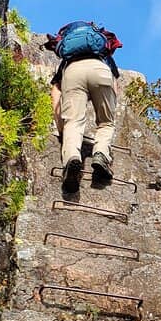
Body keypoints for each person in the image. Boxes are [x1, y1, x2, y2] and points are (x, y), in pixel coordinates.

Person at [45, 21, 122, 193]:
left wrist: (61, 127)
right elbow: (115, 85)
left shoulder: (68, 58)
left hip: (73, 72)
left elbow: (56, 91)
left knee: (74, 122)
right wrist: (109, 106)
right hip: (101, 70)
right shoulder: (102, 53)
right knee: (106, 123)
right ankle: (101, 154)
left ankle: (72, 158)